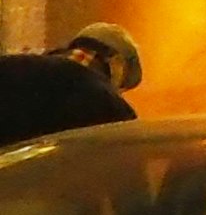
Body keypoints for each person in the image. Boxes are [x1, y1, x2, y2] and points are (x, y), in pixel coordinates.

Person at [0, 22, 140, 147]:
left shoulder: (13, 68)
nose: (118, 93)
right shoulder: (111, 106)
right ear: (117, 64)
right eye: (121, 87)